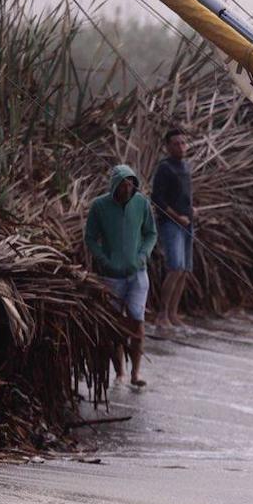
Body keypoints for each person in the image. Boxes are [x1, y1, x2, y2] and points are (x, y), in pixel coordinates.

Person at [85, 164, 157, 388]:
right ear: (115, 185)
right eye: (124, 184)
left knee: (137, 322)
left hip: (138, 273)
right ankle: (120, 372)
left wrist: (144, 253)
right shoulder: (100, 206)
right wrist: (103, 260)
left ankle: (135, 373)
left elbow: (151, 233)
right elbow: (90, 238)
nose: (128, 188)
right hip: (112, 276)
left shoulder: (141, 203)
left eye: (131, 183)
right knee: (114, 325)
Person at [151, 128, 195, 327]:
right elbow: (157, 199)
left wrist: (192, 210)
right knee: (175, 267)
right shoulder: (164, 168)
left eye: (183, 143)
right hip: (171, 224)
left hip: (188, 222)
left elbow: (184, 195)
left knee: (185, 270)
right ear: (168, 147)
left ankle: (173, 313)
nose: (181, 147)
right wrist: (177, 217)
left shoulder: (185, 167)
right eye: (176, 144)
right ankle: (162, 314)